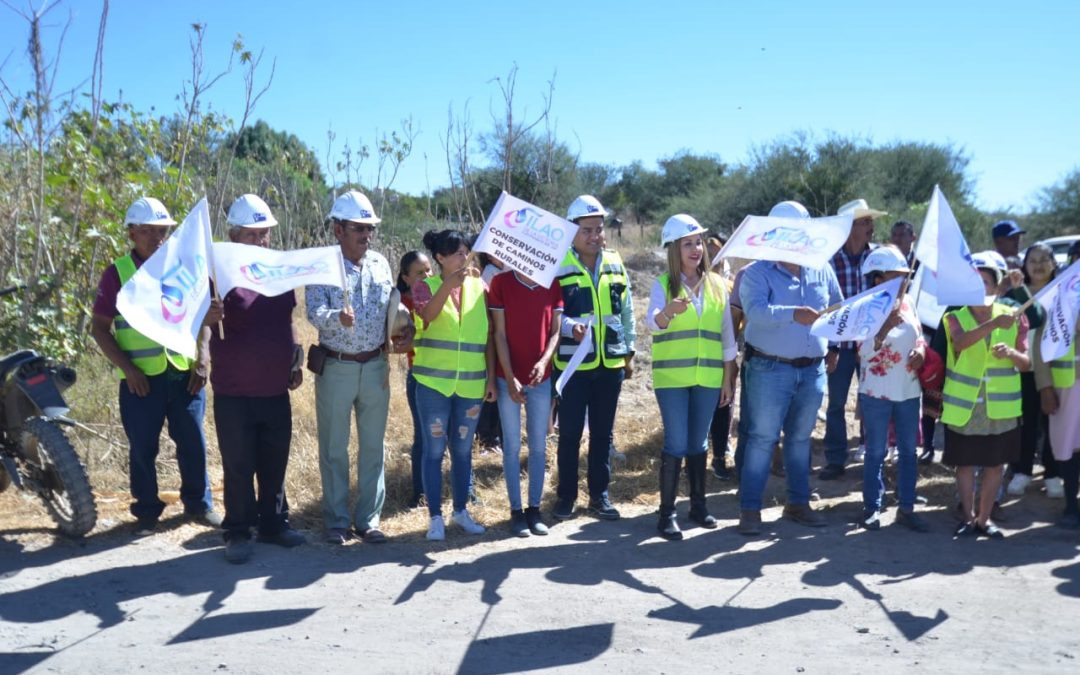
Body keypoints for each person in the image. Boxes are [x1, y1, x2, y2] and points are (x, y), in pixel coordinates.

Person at [90, 197, 221, 536]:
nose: (156, 237)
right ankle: (147, 512)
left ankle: (198, 504)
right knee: (143, 447)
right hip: (140, 380)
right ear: (131, 233)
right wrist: (128, 370)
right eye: (147, 231)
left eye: (162, 231)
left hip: (184, 374)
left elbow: (203, 316)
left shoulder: (183, 266)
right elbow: (100, 329)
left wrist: (204, 356)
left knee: (193, 442)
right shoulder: (117, 273)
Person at [736, 200, 842, 535]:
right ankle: (750, 510)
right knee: (761, 439)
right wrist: (793, 313)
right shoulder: (755, 273)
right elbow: (756, 312)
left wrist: (836, 343)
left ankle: (797, 503)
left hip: (813, 370)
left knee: (800, 439)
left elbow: (837, 306)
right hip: (770, 368)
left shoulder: (822, 268)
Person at [210, 195, 306, 563]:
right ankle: (238, 531)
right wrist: (208, 315)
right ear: (234, 235)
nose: (262, 241)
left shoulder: (278, 271)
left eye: (265, 234)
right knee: (238, 463)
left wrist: (295, 359)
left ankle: (273, 524)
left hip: (274, 386)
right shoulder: (218, 273)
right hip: (234, 389)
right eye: (253, 234)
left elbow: (287, 320)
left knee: (274, 459)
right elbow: (200, 322)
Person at [306, 190, 401, 545]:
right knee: (334, 447)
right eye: (358, 228)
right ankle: (336, 521)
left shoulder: (380, 263)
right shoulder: (323, 266)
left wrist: (401, 330)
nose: (366, 235)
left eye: (369, 228)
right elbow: (313, 312)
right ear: (337, 229)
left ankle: (369, 520)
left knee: (373, 447)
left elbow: (391, 308)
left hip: (375, 366)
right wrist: (336, 318)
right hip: (337, 368)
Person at [647, 215, 736, 540]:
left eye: (698, 242)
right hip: (672, 379)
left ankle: (698, 506)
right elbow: (651, 324)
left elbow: (727, 337)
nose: (696, 248)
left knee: (699, 442)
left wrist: (728, 379)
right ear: (674, 249)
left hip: (709, 378)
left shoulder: (715, 285)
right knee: (677, 441)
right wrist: (668, 311)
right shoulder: (662, 285)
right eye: (688, 243)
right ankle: (666, 514)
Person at [553, 195, 636, 522]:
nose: (595, 236)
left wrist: (630, 351)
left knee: (603, 434)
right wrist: (571, 327)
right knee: (570, 434)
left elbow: (626, 309)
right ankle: (566, 498)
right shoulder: (559, 264)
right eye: (587, 229)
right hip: (573, 365)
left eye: (599, 229)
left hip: (611, 363)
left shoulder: (615, 261)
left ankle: (600, 497)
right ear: (571, 231)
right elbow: (551, 313)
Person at [412, 229, 493, 541]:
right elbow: (428, 315)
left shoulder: (480, 286)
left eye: (466, 252)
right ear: (440, 258)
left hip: (471, 385)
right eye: (457, 253)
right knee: (433, 451)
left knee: (462, 450)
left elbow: (488, 335)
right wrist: (447, 286)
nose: (464, 257)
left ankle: (460, 510)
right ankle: (434, 517)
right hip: (433, 384)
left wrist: (490, 377)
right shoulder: (425, 286)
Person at [942, 253, 1030, 539]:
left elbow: (1027, 363)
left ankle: (984, 519)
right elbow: (961, 343)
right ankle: (967, 518)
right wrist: (993, 325)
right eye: (973, 284)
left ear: (996, 287)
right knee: (965, 465)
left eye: (985, 283)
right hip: (965, 408)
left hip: (1000, 410)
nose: (980, 289)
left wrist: (1013, 353)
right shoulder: (954, 316)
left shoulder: (1015, 316)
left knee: (995, 466)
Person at [855, 246, 929, 532]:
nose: (904, 281)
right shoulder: (866, 306)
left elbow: (919, 336)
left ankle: (906, 507)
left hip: (908, 390)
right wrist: (884, 328)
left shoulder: (909, 301)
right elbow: (863, 353)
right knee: (876, 451)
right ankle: (872, 507)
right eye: (897, 275)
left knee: (909, 451)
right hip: (877, 391)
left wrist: (921, 351)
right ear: (878, 279)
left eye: (905, 275)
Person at [489, 262, 563, 537]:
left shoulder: (552, 283)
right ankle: (516, 511)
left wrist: (544, 363)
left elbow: (556, 331)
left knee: (538, 446)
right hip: (507, 376)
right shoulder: (501, 282)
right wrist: (509, 377)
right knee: (511, 446)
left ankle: (534, 509)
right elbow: (498, 333)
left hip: (540, 378)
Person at [821, 198, 887, 480]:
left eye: (870, 221)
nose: (871, 226)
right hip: (840, 346)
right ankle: (836, 459)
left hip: (873, 345)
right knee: (836, 403)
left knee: (874, 401)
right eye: (865, 222)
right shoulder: (829, 260)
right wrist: (830, 346)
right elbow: (827, 306)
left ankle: (873, 457)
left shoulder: (879, 259)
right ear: (850, 227)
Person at [1006, 243, 1059, 498]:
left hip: (1056, 369)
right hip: (1024, 368)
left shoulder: (1064, 291)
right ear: (1024, 265)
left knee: (1053, 423)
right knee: (1025, 423)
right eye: (1032, 260)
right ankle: (1022, 471)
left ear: (1054, 263)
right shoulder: (1016, 292)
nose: (1038, 265)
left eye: (1044, 259)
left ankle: (1052, 473)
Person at [1036, 241, 1080, 527]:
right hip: (1066, 386)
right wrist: (1045, 388)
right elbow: (1040, 348)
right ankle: (1071, 506)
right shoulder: (1057, 296)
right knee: (1069, 447)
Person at [397, 250, 433, 509]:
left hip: (445, 374)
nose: (426, 276)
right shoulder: (401, 304)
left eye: (429, 270)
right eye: (419, 273)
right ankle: (419, 493)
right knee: (422, 436)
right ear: (406, 278)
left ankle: (464, 491)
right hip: (419, 374)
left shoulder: (443, 295)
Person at [704, 230, 737, 480]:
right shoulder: (693, 282)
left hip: (725, 356)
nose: (712, 255)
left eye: (717, 250)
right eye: (709, 250)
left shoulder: (730, 284)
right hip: (698, 356)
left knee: (723, 405)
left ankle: (719, 455)